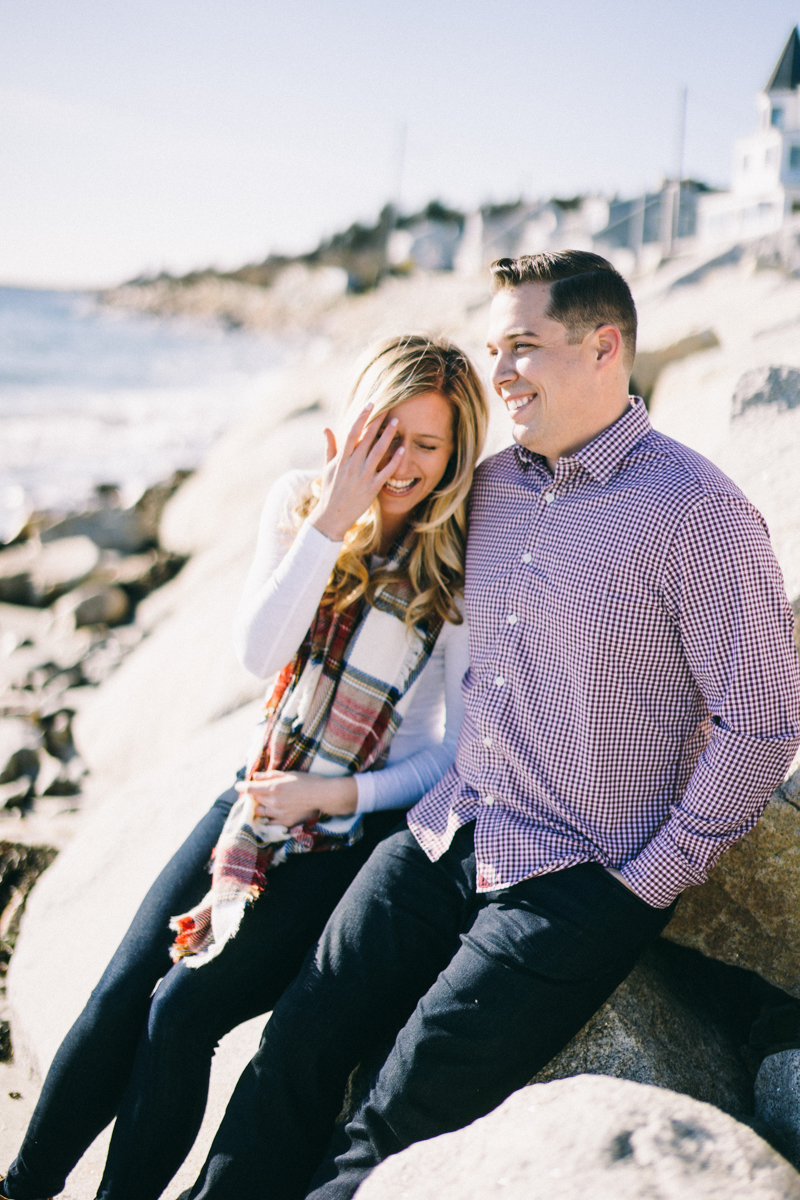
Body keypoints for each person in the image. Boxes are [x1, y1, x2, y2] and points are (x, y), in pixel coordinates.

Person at [180, 250, 800, 1200]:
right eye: (493, 346)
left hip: (582, 876)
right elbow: (384, 554)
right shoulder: (495, 486)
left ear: (605, 348)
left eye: (522, 346)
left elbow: (762, 723)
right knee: (297, 1043)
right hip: (449, 830)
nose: (499, 370)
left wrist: (648, 881)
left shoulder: (700, 514)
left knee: (403, 1108)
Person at [1, 333, 489, 1200]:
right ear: (356, 424)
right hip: (260, 798)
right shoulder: (299, 502)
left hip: (353, 820)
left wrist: (333, 793)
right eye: (389, 435)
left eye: (427, 444)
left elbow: (448, 755)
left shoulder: (454, 564)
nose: (404, 464)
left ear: (456, 452)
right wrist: (334, 518)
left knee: (180, 1014)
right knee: (122, 991)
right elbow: (260, 654)